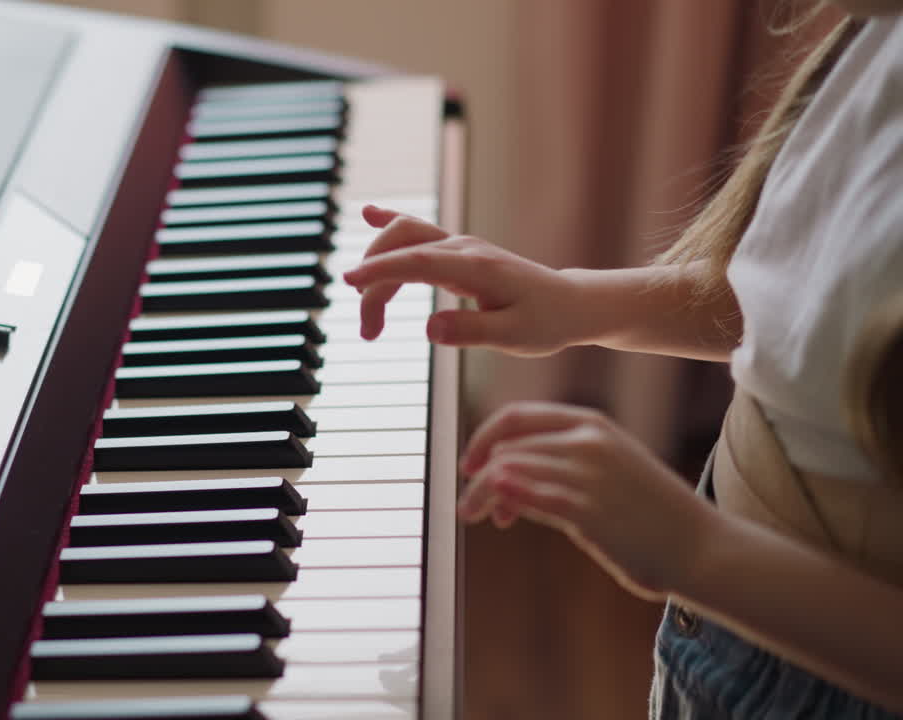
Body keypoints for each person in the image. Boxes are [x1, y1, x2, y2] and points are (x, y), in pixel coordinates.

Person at [343, 3, 903, 717]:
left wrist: (696, 551)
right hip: (727, 624)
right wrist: (574, 302)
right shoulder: (876, 37)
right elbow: (805, 306)